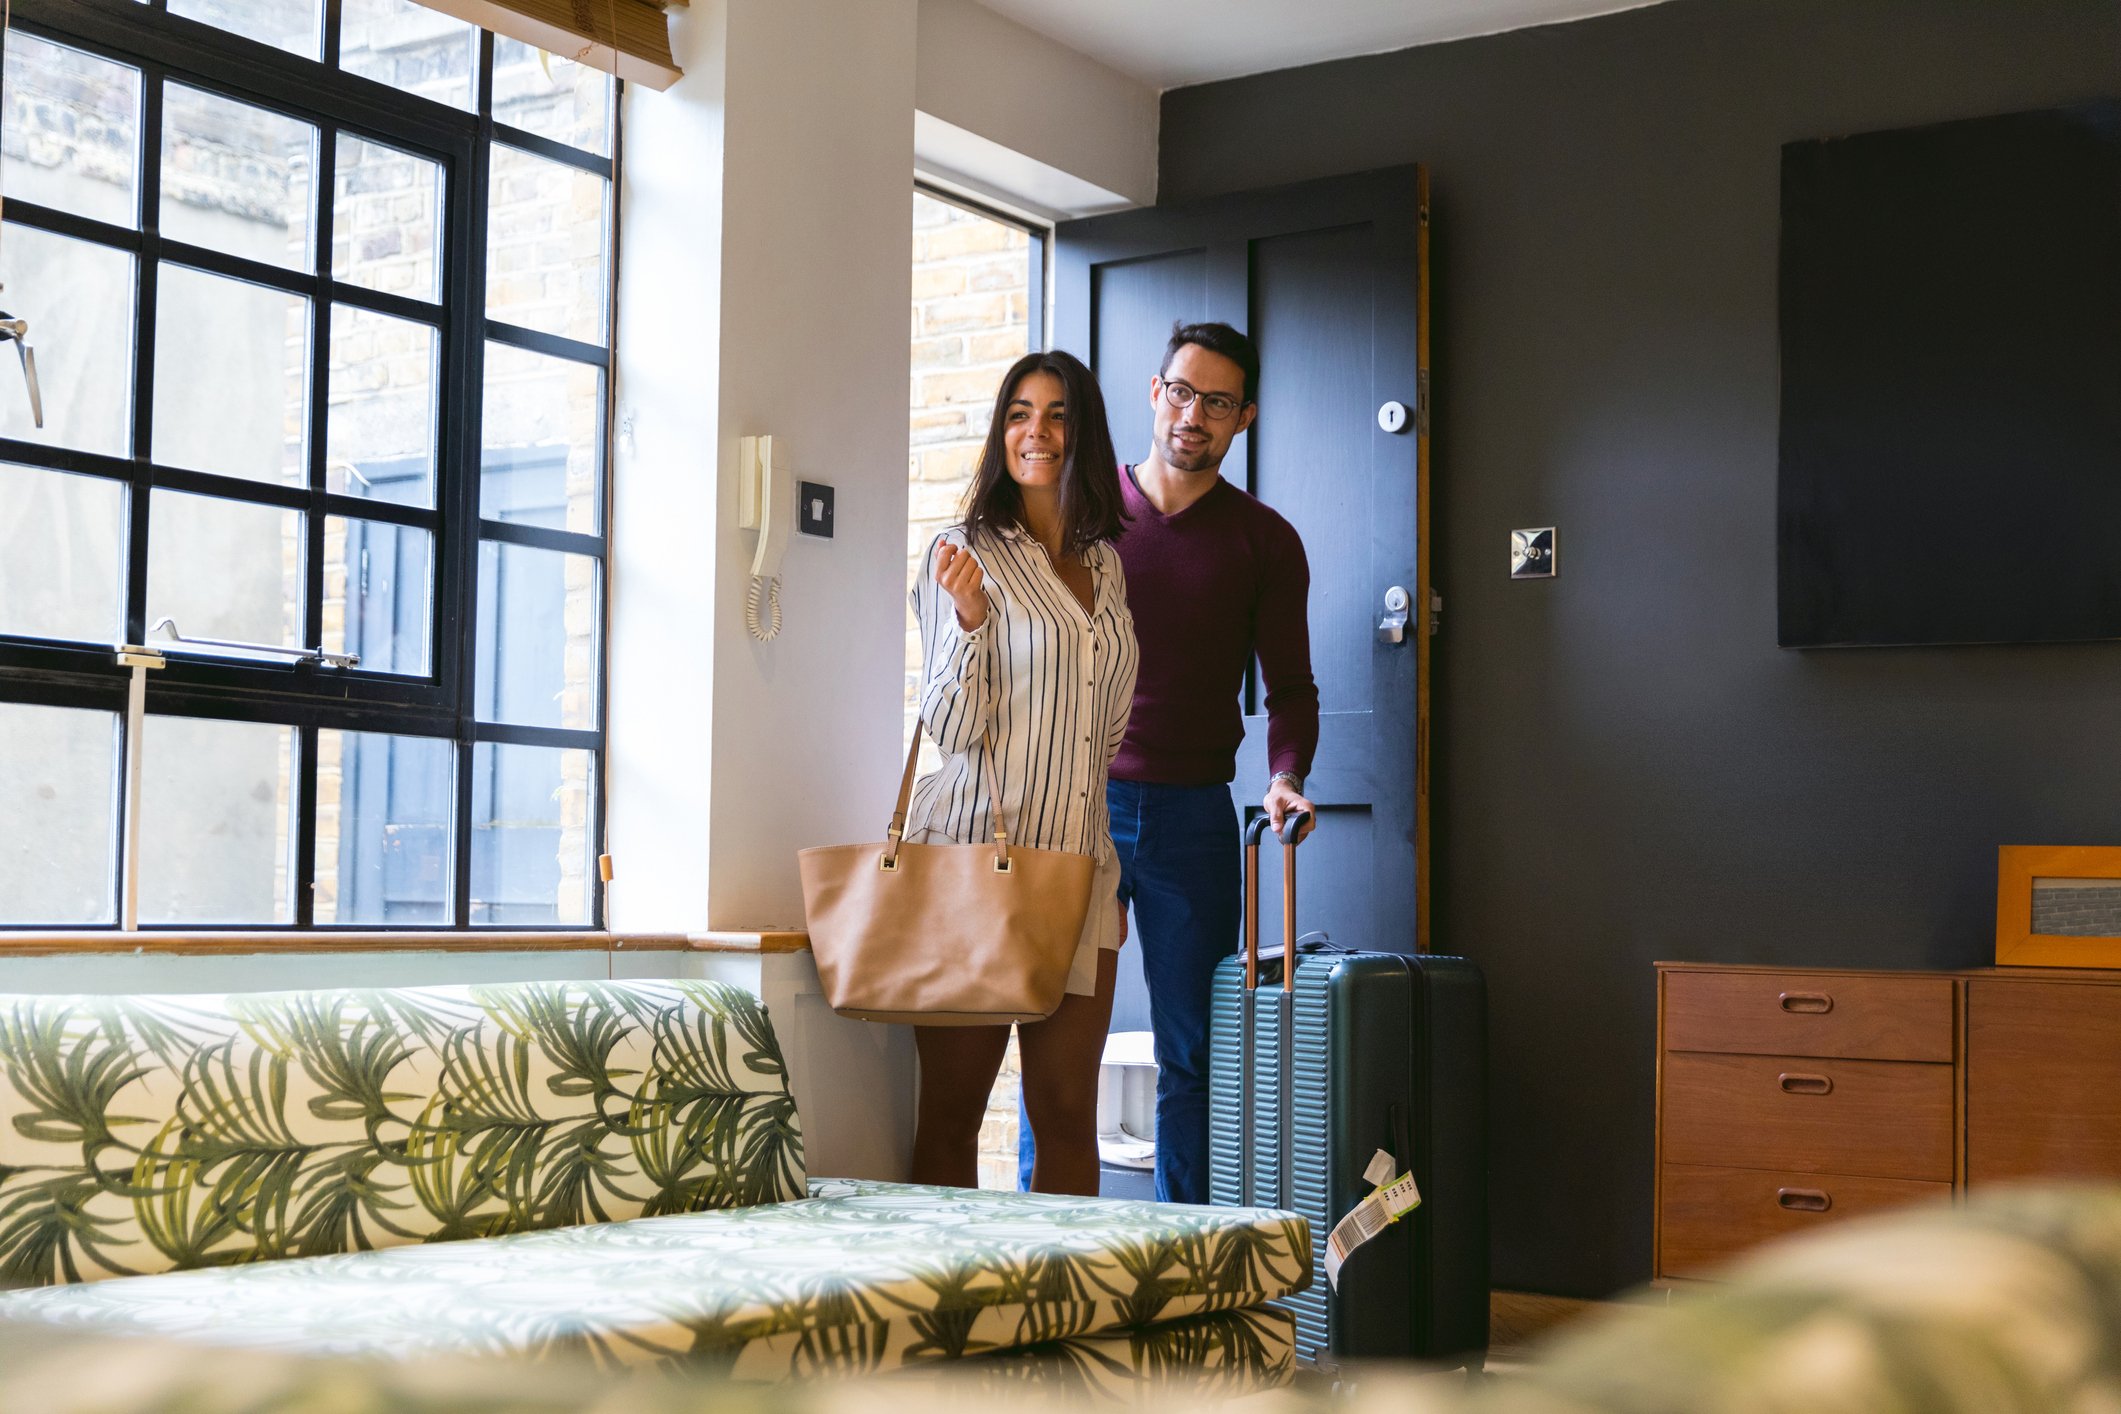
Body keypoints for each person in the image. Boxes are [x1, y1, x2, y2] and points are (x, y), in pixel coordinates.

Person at [1020, 321, 1318, 1204]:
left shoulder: (1265, 540)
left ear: (1244, 417)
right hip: (1080, 810)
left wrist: (1286, 775)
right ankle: (1043, 1240)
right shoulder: (1082, 517)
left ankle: (1180, 1251)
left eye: (1217, 402)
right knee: (1057, 1037)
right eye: (1182, 392)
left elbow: (1291, 687)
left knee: (1194, 1052)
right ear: (1154, 393)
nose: (1193, 415)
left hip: (1193, 817)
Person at [904, 348, 1140, 1196]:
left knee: (1070, 1118)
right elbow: (949, 728)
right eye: (1018, 414)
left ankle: (1059, 1288)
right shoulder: (960, 551)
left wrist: (1106, 870)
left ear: (1084, 434)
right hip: (975, 867)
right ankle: (945, 1287)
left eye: (1056, 415)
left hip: (1080, 873)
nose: (1035, 432)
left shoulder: (1105, 563)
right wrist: (970, 617)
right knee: (952, 1117)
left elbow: (1103, 733)